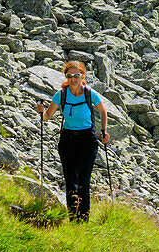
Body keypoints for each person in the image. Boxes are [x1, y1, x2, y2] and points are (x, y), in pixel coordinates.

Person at [36, 61, 110, 222]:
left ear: (82, 76)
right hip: (67, 140)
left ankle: (83, 220)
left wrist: (104, 130)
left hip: (88, 141)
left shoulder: (90, 93)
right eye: (70, 75)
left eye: (77, 75)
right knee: (70, 180)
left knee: (83, 180)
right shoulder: (61, 94)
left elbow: (103, 111)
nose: (73, 78)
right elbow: (47, 117)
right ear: (66, 77)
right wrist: (41, 113)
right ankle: (72, 218)